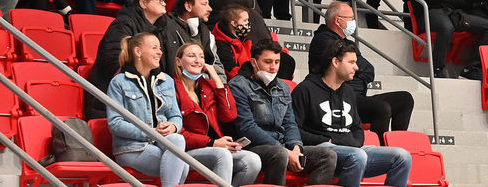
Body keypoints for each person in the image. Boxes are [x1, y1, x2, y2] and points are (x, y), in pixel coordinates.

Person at [291, 39, 413, 187]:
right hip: (322, 150)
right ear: (335, 62)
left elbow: (357, 129)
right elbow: (294, 129)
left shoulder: (348, 92)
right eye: (351, 62)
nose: (356, 68)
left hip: (352, 149)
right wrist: (328, 140)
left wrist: (351, 143)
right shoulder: (305, 89)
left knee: (403, 157)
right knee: (357, 156)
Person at [228, 39, 340, 186]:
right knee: (279, 154)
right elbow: (247, 127)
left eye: (277, 62)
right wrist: (284, 150)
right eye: (267, 62)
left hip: (282, 146)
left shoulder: (283, 87)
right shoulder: (238, 85)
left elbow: (290, 123)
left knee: (328, 155)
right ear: (254, 62)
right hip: (252, 146)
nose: (273, 68)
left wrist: (295, 147)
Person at [308, 2, 414, 137]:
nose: (354, 22)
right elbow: (351, 70)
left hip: (357, 96)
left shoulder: (349, 43)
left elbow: (369, 70)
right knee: (380, 108)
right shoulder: (323, 40)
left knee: (404, 99)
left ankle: (398, 146)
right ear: (337, 20)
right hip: (336, 98)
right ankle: (382, 152)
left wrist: (356, 73)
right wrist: (358, 74)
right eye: (351, 18)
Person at [105, 32, 191, 187]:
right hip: (131, 148)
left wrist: (173, 126)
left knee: (178, 139)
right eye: (154, 48)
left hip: (162, 144)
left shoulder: (167, 81)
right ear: (138, 52)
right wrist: (151, 132)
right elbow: (115, 123)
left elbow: (176, 116)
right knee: (182, 167)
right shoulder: (118, 82)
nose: (160, 52)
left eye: (159, 48)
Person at [172, 42, 263, 186]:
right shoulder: (171, 87)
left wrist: (216, 78)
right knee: (222, 154)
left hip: (215, 146)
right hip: (189, 149)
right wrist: (212, 143)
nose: (197, 60)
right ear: (178, 62)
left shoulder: (207, 85)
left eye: (201, 57)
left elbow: (229, 115)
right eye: (191, 56)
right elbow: (178, 133)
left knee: (253, 161)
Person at [86, 0, 170, 114]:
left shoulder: (162, 30)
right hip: (113, 100)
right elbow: (115, 60)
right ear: (143, 3)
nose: (164, 3)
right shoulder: (122, 24)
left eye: (164, 0)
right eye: (159, 0)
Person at [158, 0, 224, 76]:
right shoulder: (166, 27)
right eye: (204, 4)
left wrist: (220, 86)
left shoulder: (206, 33)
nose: (210, 9)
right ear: (188, 6)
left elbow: (217, 66)